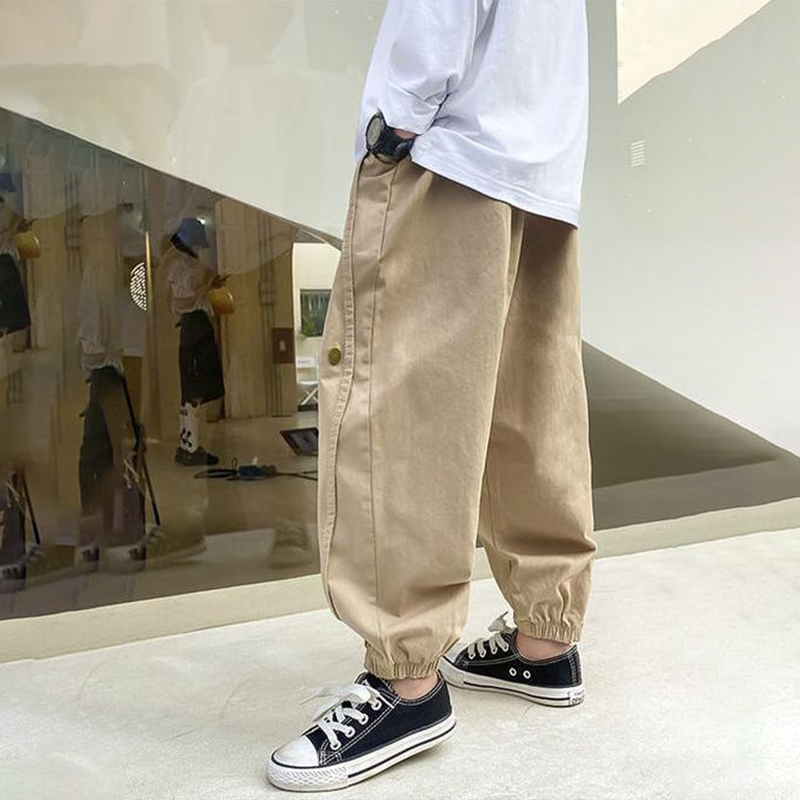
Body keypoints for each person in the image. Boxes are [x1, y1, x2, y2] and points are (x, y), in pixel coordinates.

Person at [267, 1, 596, 791]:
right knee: (529, 404)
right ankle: (545, 639)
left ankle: (406, 682)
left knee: (402, 413)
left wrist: (395, 122)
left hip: (449, 150)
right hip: (542, 155)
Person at [164, 217, 225, 467]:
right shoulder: (178, 266)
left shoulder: (188, 263)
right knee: (193, 391)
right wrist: (207, 283)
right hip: (193, 327)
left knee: (197, 390)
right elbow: (182, 302)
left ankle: (190, 446)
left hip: (198, 326)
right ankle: (189, 447)